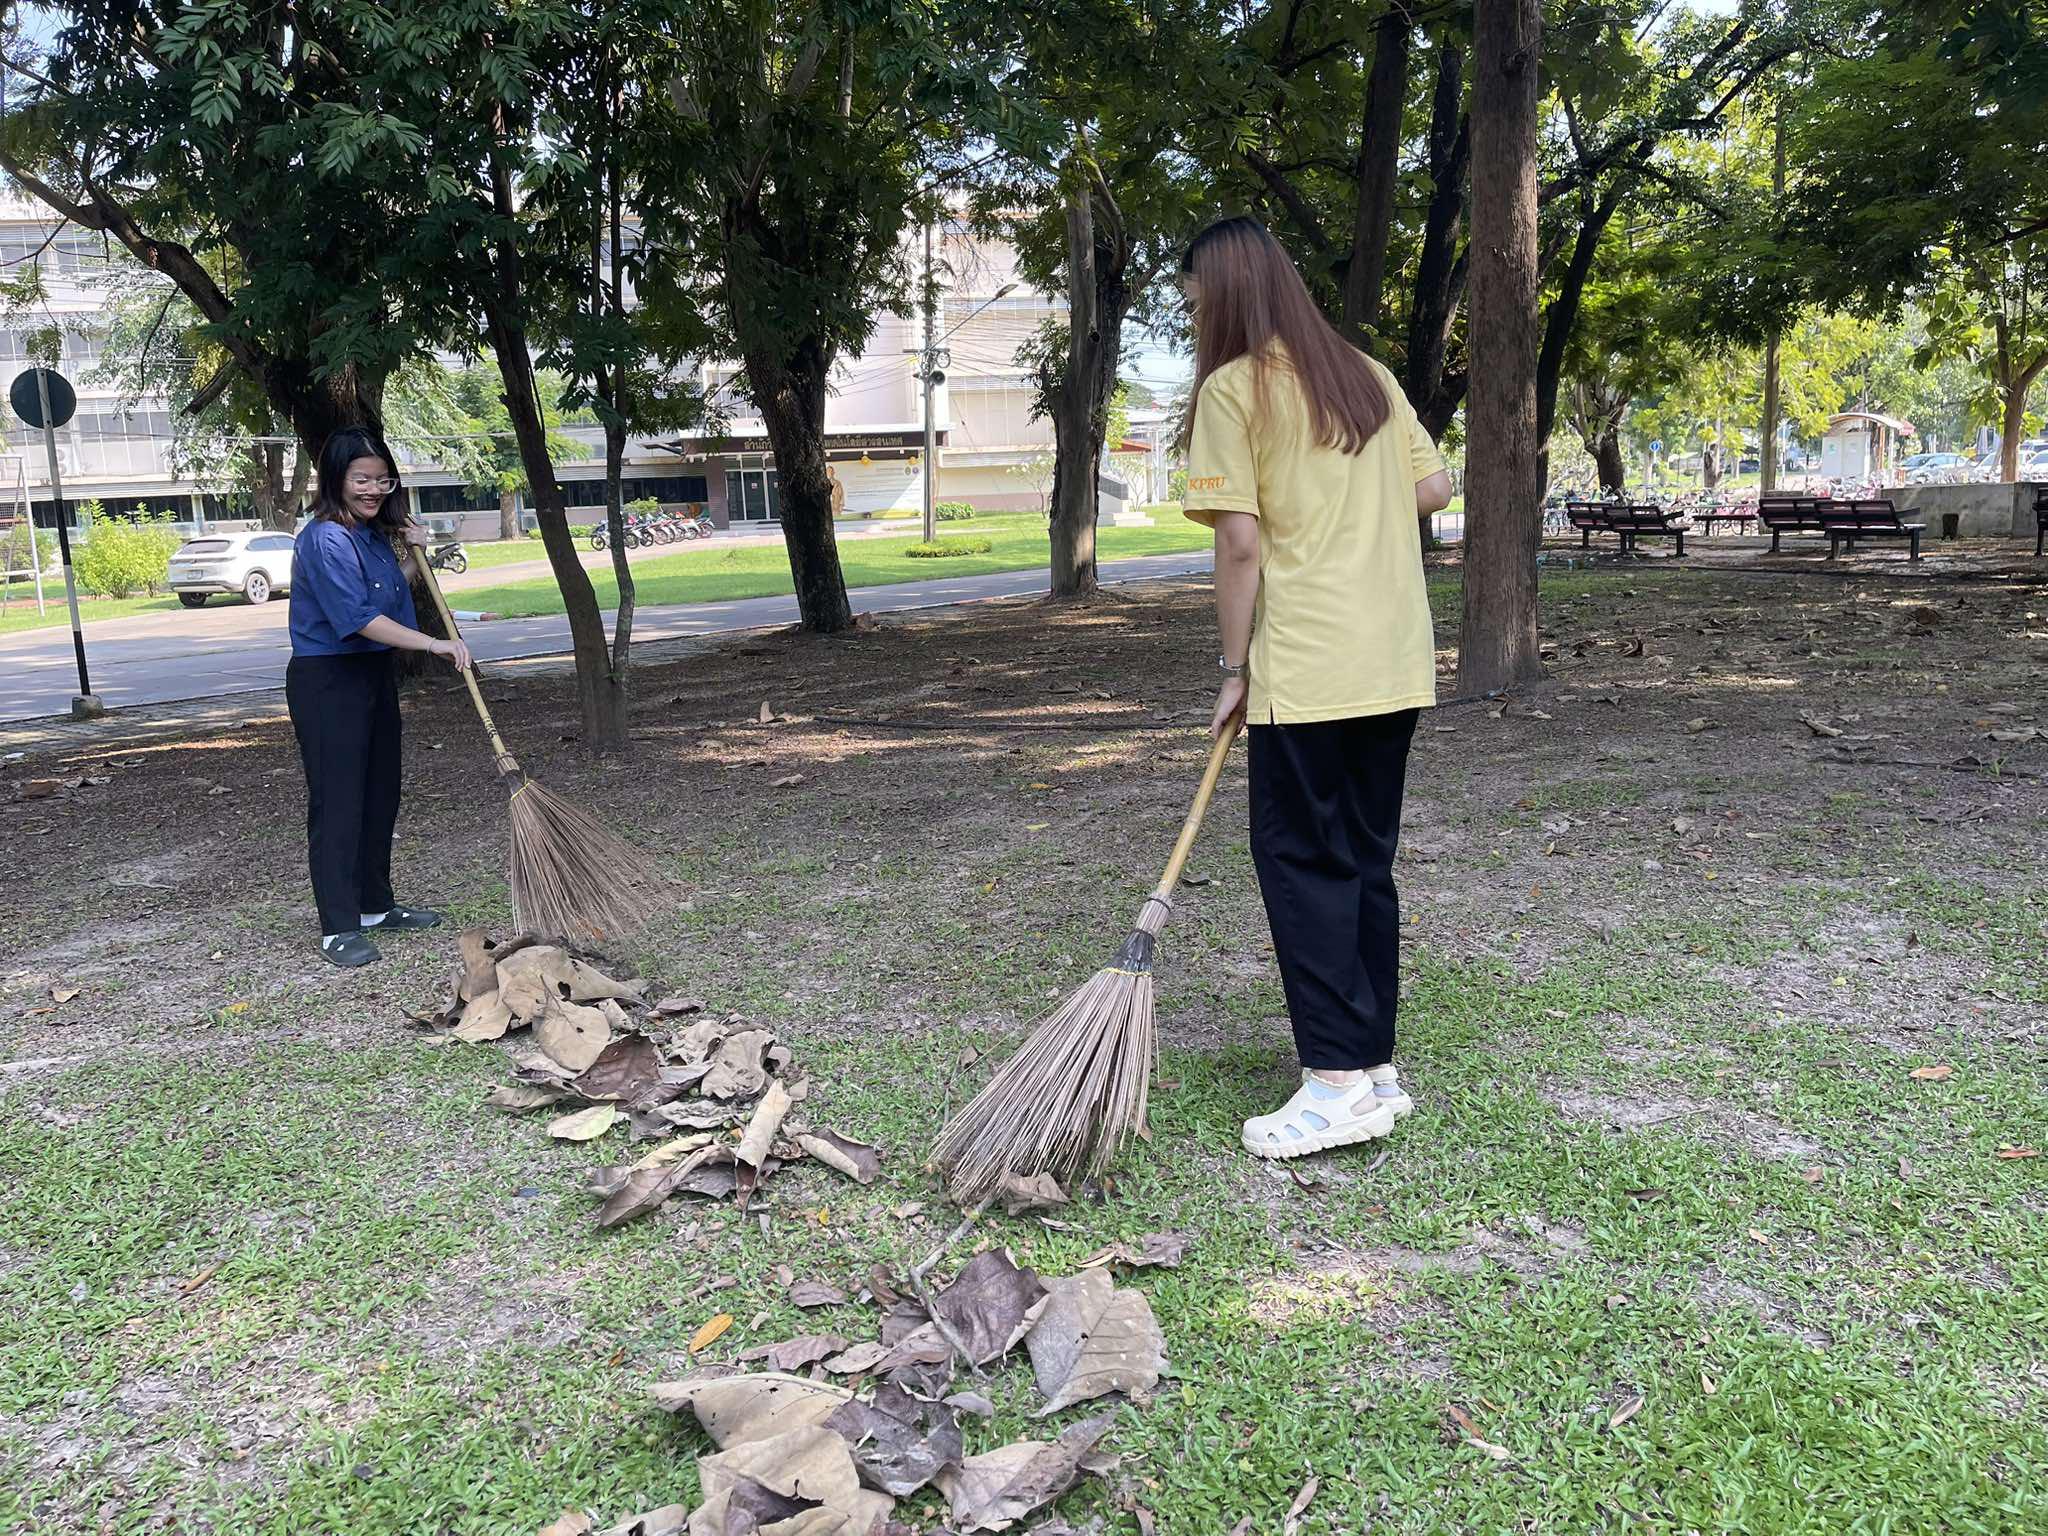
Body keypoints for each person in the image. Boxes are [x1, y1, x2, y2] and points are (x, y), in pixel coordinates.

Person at [1177, 217, 1454, 1159]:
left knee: (1301, 860)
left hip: (1308, 661)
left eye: (1193, 302)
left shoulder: (1233, 390)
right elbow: (1435, 486)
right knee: (1363, 858)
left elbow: (1239, 542)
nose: (1192, 318)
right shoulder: (1364, 375)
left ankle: (1335, 1083)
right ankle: (1371, 1066)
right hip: (1394, 658)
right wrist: (1355, 492)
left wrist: (1232, 667)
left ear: (1225, 295)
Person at [286, 428, 471, 967]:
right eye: (361, 479)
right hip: (327, 680)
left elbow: (386, 594)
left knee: (379, 792)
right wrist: (436, 643)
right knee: (339, 800)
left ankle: (373, 905)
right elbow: (360, 619)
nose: (372, 490)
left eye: (381, 480)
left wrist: (415, 556)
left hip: (370, 676)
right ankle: (337, 926)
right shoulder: (323, 538)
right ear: (337, 480)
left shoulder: (366, 535)